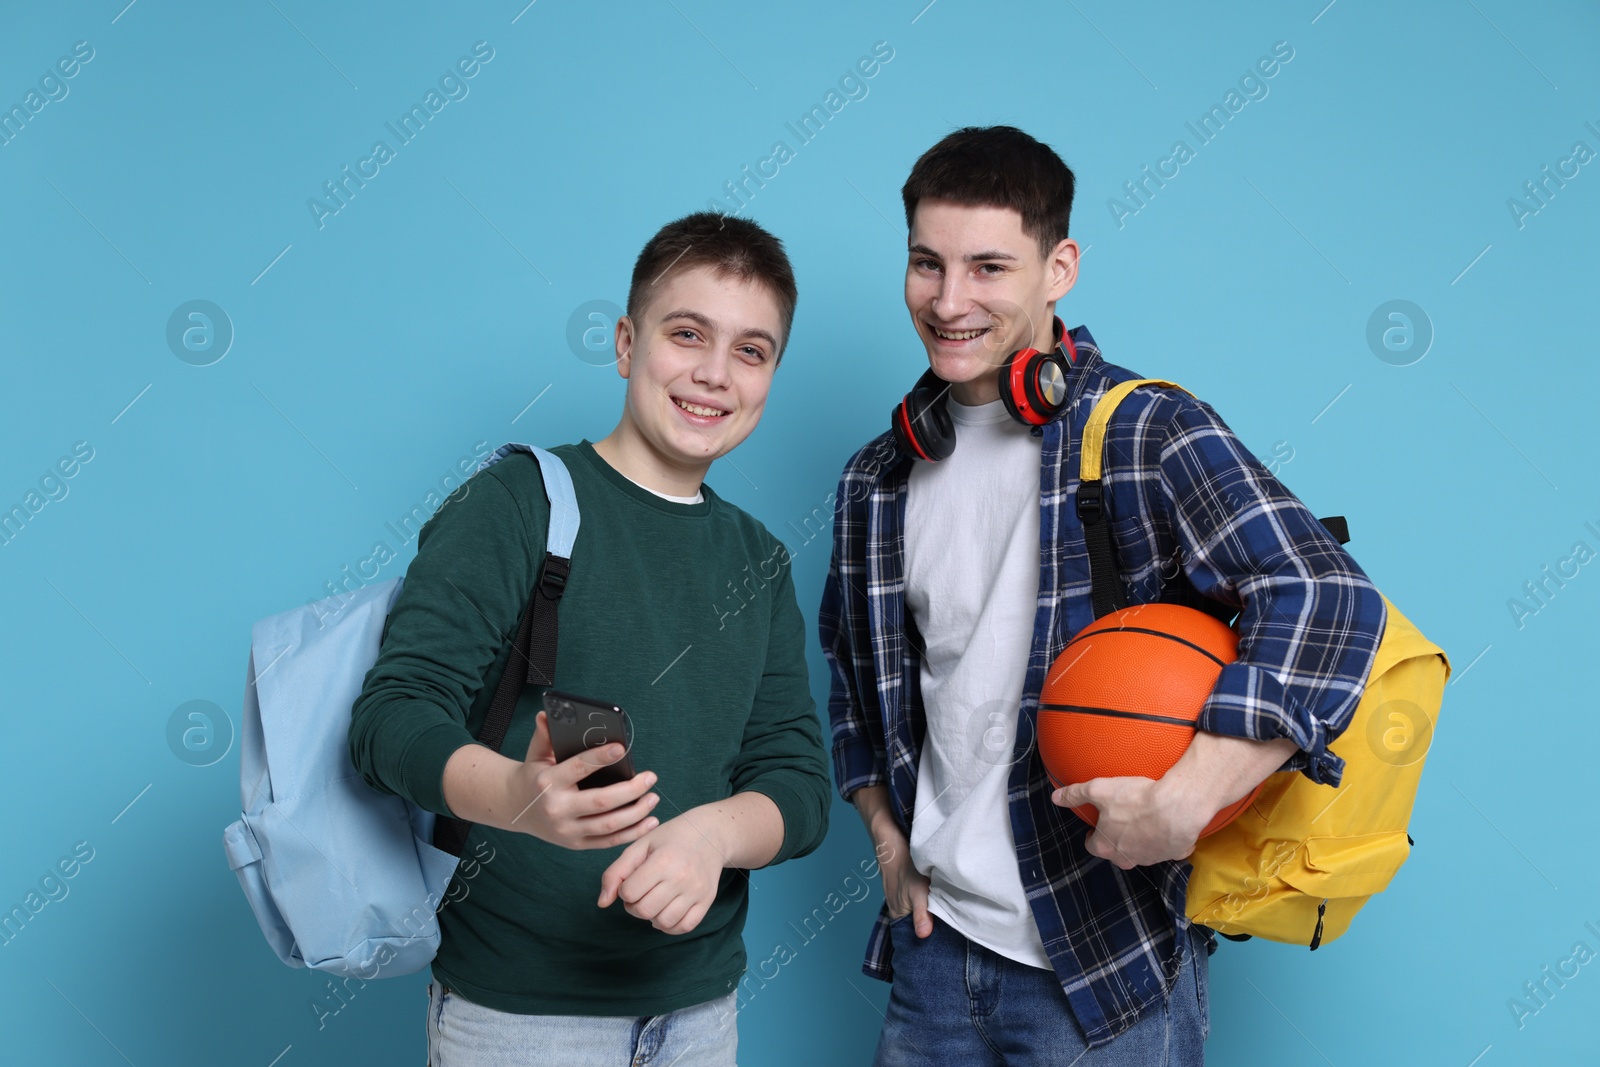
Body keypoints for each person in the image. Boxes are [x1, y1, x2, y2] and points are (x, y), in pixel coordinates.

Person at [818, 126, 1386, 1064]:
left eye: (988, 266)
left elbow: (1326, 598)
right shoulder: (876, 478)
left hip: (1103, 965)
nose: (949, 300)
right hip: (931, 960)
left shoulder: (1145, 430)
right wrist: (886, 835)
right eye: (927, 264)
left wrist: (1190, 799)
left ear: (1060, 266)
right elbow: (853, 677)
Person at [349, 211, 831, 1067]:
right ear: (625, 342)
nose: (715, 373)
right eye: (688, 334)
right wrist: (516, 796)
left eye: (751, 351)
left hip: (699, 1016)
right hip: (519, 1020)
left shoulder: (759, 558)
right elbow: (390, 720)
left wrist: (714, 834)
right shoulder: (515, 504)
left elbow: (797, 781)